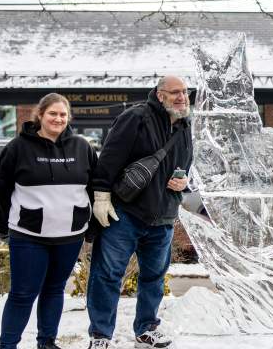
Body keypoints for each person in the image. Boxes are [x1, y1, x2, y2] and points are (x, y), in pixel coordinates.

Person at [86, 76, 193, 349]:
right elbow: (108, 158)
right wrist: (101, 196)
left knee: (154, 277)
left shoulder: (184, 123)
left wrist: (184, 181)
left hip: (164, 217)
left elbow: (185, 162)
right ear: (160, 95)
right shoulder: (136, 117)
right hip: (126, 213)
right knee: (107, 275)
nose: (181, 97)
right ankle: (100, 336)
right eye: (175, 93)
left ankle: (146, 329)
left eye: (185, 92)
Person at [0, 93, 98, 349]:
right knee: (22, 294)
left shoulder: (82, 147)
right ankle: (7, 344)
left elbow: (95, 187)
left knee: (54, 289)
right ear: (40, 115)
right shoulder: (18, 148)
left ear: (68, 118)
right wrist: (4, 226)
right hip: (28, 235)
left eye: (62, 114)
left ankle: (46, 341)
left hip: (69, 235)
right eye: (52, 113)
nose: (58, 119)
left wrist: (91, 226)